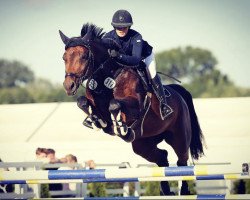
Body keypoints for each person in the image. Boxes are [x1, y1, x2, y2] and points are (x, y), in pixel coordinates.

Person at [102, 9, 173, 120]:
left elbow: (135, 60)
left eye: (124, 27)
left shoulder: (136, 37)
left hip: (144, 57)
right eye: (118, 27)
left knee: (152, 73)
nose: (121, 29)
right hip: (122, 62)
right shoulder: (107, 37)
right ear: (114, 27)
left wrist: (118, 56)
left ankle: (163, 105)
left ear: (129, 26)